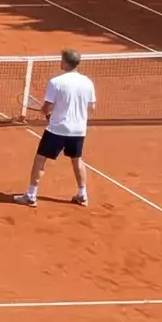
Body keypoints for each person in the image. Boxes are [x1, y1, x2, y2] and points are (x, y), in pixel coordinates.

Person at [16, 50, 96, 207]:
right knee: (77, 160)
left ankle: (31, 195)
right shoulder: (88, 82)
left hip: (57, 130)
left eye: (62, 60)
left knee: (40, 159)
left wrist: (47, 113)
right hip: (79, 130)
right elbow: (92, 107)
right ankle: (82, 194)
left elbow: (47, 108)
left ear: (65, 62)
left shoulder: (56, 82)